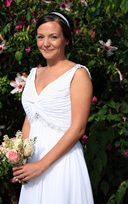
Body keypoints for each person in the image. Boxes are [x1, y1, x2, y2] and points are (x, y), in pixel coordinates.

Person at [13, 11, 94, 204]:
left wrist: (41, 165)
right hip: (33, 163)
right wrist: (22, 159)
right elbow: (30, 119)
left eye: (53, 37)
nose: (46, 43)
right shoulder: (34, 74)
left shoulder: (78, 74)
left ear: (67, 39)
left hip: (61, 162)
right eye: (41, 37)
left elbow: (78, 128)